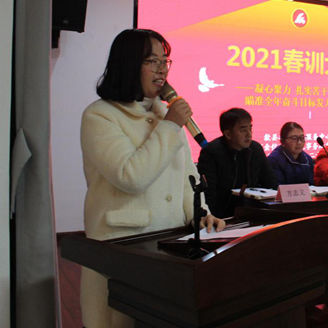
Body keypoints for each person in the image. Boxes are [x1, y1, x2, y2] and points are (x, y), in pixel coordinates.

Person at [79, 29, 225, 328]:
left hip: (170, 248)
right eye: (152, 61)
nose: (162, 69)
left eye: (164, 61)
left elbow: (187, 177)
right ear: (128, 63)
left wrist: (201, 214)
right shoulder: (100, 116)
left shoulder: (165, 115)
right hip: (124, 249)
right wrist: (170, 126)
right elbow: (131, 177)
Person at [197, 108, 277, 218]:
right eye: (243, 130)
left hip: (253, 213)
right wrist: (212, 218)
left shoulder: (255, 149)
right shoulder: (211, 153)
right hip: (222, 216)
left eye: (250, 128)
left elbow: (270, 182)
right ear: (228, 134)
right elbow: (209, 193)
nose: (249, 134)